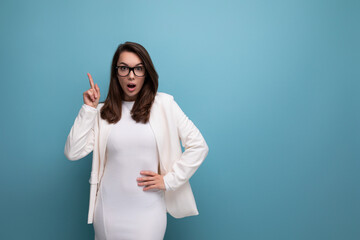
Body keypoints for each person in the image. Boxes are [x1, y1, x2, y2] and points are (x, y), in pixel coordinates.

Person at [64, 41, 209, 240]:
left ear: (146, 73)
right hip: (108, 212)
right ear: (116, 73)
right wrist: (88, 109)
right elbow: (73, 152)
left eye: (138, 69)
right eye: (124, 68)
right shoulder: (101, 112)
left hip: (148, 213)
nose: (131, 75)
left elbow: (199, 146)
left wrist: (169, 180)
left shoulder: (164, 105)